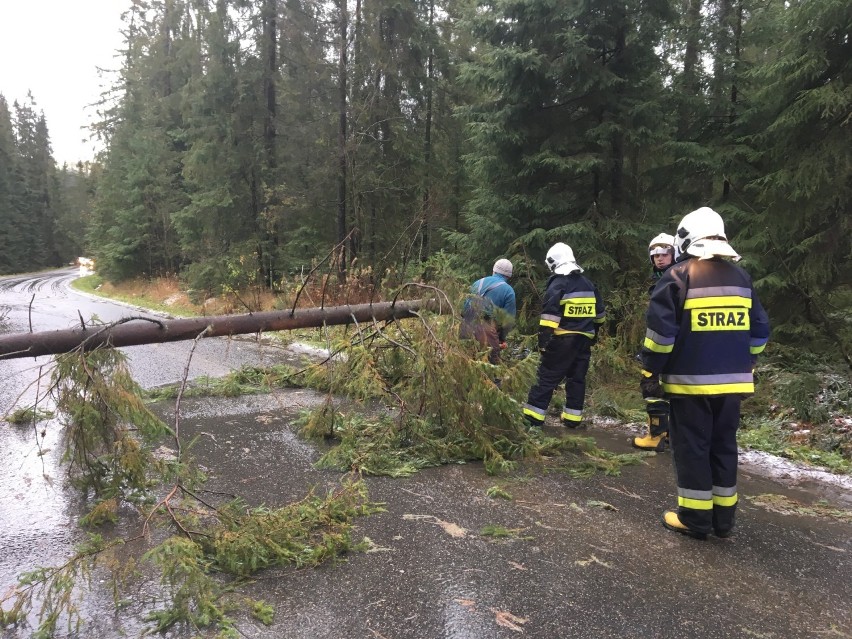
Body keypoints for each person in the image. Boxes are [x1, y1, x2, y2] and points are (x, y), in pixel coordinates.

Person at [640, 207, 769, 540]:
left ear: (684, 238)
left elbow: (661, 336)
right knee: (723, 446)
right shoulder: (741, 278)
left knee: (692, 448)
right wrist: (746, 362)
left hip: (689, 385)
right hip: (733, 386)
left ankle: (694, 519)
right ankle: (723, 521)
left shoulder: (678, 277)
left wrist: (650, 370)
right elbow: (760, 332)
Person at [523, 243, 605, 428]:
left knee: (546, 376)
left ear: (554, 262)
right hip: (584, 340)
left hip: (562, 340)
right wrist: (594, 335)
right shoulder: (589, 284)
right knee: (577, 378)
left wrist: (543, 341)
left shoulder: (558, 283)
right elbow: (600, 316)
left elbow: (549, 317)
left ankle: (533, 417)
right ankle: (572, 418)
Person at [633, 233, 676, 452]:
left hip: (667, 346)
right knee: (670, 390)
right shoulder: (666, 278)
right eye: (655, 255)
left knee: (652, 386)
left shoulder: (672, 279)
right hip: (673, 344)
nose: (659, 259)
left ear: (674, 254)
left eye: (664, 254)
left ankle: (656, 435)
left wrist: (650, 353)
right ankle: (669, 434)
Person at [460, 258, 517, 365]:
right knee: (491, 370)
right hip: (486, 332)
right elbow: (508, 321)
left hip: (465, 326)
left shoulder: (478, 283)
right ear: (509, 276)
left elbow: (465, 307)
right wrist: (501, 339)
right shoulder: (508, 291)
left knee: (466, 366)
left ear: (493, 270)